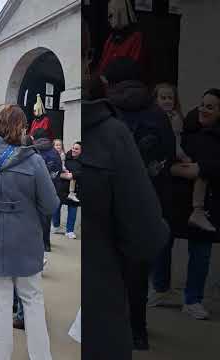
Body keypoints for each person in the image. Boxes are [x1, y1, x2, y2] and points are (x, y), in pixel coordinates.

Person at [81, 19, 168, 359]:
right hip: (101, 309)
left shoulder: (111, 128)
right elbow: (149, 237)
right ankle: (140, 330)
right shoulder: (113, 131)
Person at [0, 104, 59, 360]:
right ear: (22, 128)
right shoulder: (34, 160)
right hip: (26, 239)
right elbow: (51, 204)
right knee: (32, 300)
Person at [102, 56, 176, 350]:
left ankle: (115, 326)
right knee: (138, 270)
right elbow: (168, 154)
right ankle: (139, 331)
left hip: (114, 199)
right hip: (148, 198)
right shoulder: (157, 113)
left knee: (113, 270)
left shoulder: (110, 111)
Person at [150, 89, 220, 320]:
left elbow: (208, 167)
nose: (203, 109)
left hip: (207, 203)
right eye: (202, 104)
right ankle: (161, 289)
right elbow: (169, 160)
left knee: (201, 253)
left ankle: (193, 300)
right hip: (176, 198)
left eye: (210, 106)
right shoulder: (185, 129)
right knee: (162, 244)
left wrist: (201, 169)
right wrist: (182, 169)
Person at [154, 83, 215, 232]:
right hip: (165, 163)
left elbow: (177, 140)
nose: (167, 101)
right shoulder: (161, 119)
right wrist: (184, 157)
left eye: (170, 98)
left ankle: (198, 210)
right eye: (163, 98)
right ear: (155, 100)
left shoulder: (176, 118)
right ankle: (198, 211)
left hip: (171, 162)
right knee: (200, 171)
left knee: (201, 172)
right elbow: (173, 144)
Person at [97, 0, 147, 77]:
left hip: (122, 84)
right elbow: (102, 64)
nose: (108, 20)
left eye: (111, 16)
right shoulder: (111, 37)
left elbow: (132, 68)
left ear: (120, 13)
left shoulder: (136, 37)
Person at [54, 141, 83, 240]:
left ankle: (69, 230)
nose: (74, 150)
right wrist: (67, 176)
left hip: (75, 189)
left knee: (73, 208)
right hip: (62, 186)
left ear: (81, 151)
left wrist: (74, 175)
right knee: (56, 206)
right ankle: (56, 225)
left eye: (77, 149)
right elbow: (58, 170)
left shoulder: (84, 161)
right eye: (73, 148)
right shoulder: (65, 156)